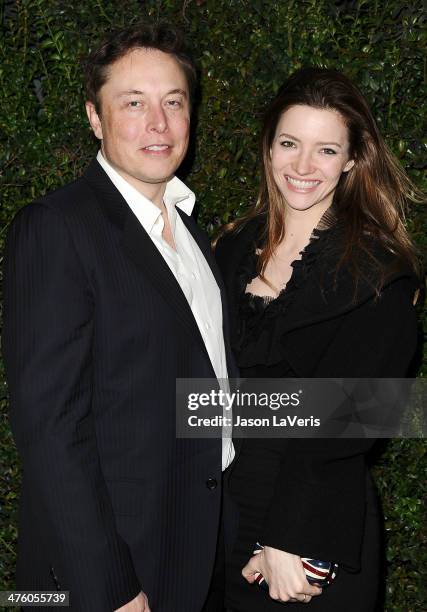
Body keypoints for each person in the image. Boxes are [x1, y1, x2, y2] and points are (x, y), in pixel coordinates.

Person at [3, 22, 236, 612]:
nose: (158, 124)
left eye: (173, 102)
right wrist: (110, 586)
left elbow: (206, 395)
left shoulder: (196, 238)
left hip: (200, 550)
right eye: (133, 104)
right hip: (110, 573)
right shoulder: (57, 227)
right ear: (94, 118)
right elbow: (50, 426)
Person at [215, 68, 421, 611]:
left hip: (309, 529)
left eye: (326, 150)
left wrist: (290, 535)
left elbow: (356, 420)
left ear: (353, 159)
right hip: (218, 515)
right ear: (268, 146)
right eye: (289, 143)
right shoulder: (230, 248)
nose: (303, 167)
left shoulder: (379, 271)